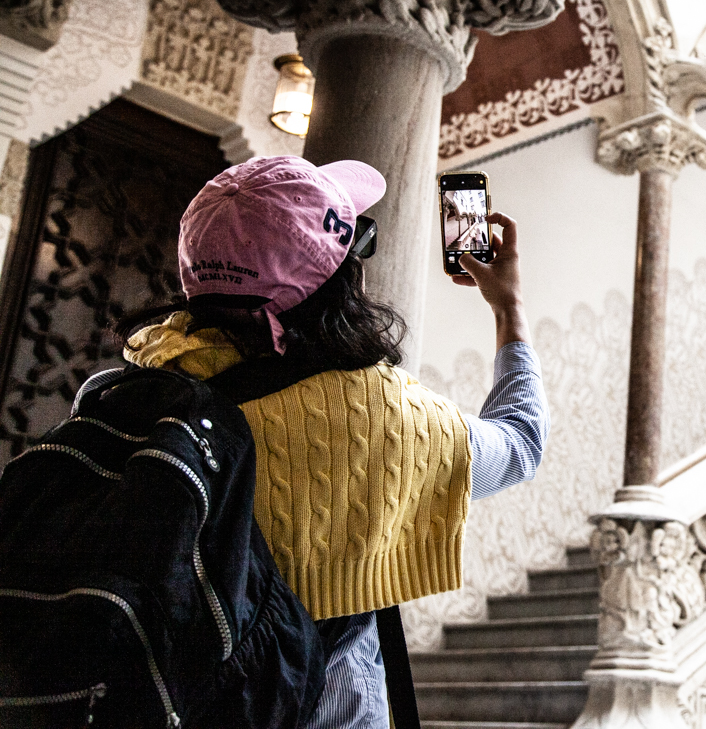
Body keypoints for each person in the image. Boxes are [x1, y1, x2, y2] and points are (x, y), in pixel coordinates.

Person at [99, 154, 548, 728]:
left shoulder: (126, 391)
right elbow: (520, 443)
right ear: (342, 278)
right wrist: (508, 306)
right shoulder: (382, 416)